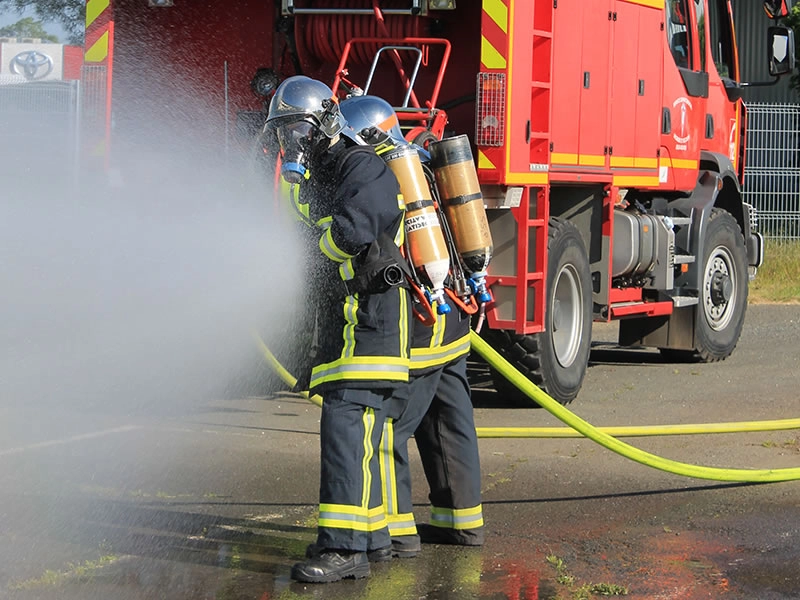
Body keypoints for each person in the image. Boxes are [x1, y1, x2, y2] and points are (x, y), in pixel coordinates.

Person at [264, 76, 413, 583]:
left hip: (368, 327)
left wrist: (308, 253)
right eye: (284, 132)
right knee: (359, 436)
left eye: (298, 129)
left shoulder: (360, 165)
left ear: (326, 121)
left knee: (346, 434)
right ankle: (369, 540)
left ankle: (344, 549)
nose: (292, 142)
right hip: (347, 327)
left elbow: (353, 232)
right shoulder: (321, 174)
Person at [339, 95, 485, 556]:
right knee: (451, 422)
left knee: (387, 427)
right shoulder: (425, 164)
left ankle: (397, 533)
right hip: (455, 316)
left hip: (419, 322)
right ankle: (463, 524)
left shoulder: (381, 178)